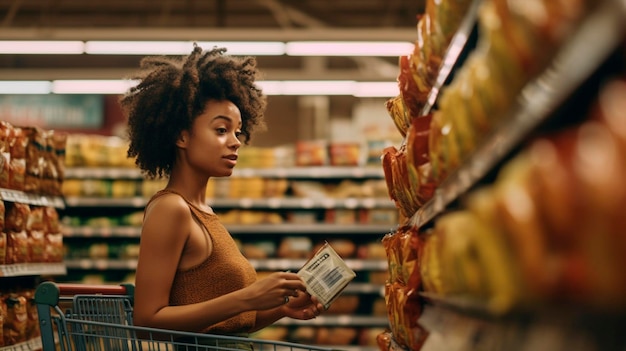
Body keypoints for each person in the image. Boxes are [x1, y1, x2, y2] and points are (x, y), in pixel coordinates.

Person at [119, 44, 325, 349]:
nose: (235, 142)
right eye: (221, 130)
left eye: (238, 132)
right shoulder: (171, 209)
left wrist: (280, 309)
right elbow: (148, 322)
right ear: (181, 136)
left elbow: (228, 324)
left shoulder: (205, 213)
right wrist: (247, 296)